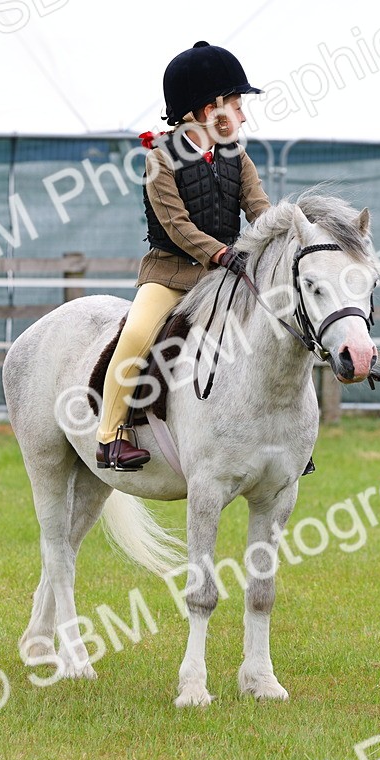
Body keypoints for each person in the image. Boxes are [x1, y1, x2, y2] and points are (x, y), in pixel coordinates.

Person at [96, 41, 271, 470]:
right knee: (137, 335)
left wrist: (284, 236)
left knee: (272, 331)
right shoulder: (159, 158)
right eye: (236, 103)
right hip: (170, 275)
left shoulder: (238, 157)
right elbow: (177, 226)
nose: (243, 114)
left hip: (222, 278)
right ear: (207, 108)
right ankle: (110, 435)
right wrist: (221, 252)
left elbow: (259, 210)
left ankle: (279, 439)